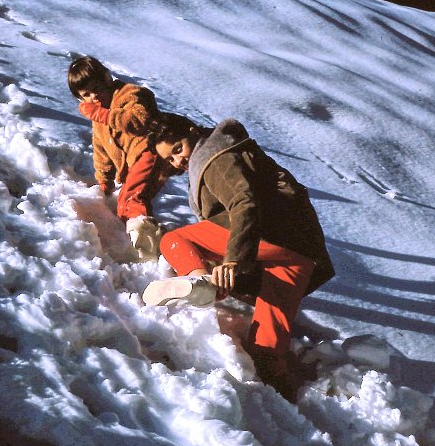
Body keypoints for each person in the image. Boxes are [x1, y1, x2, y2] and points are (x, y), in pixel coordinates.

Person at [142, 114, 335, 402]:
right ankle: (290, 413)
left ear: (192, 131)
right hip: (298, 255)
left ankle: (199, 280)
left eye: (178, 148)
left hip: (272, 237)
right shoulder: (225, 153)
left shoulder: (214, 157)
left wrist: (233, 261)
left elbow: (245, 204)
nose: (178, 161)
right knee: (266, 349)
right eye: (170, 159)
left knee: (175, 239)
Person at [67, 56, 175, 259]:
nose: (94, 97)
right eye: (86, 94)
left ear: (107, 79)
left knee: (132, 196)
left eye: (97, 88)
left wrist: (104, 116)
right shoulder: (99, 120)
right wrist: (104, 180)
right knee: (124, 202)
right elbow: (101, 151)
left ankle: (148, 245)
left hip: (151, 150)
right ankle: (145, 240)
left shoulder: (129, 94)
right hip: (133, 164)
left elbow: (138, 119)